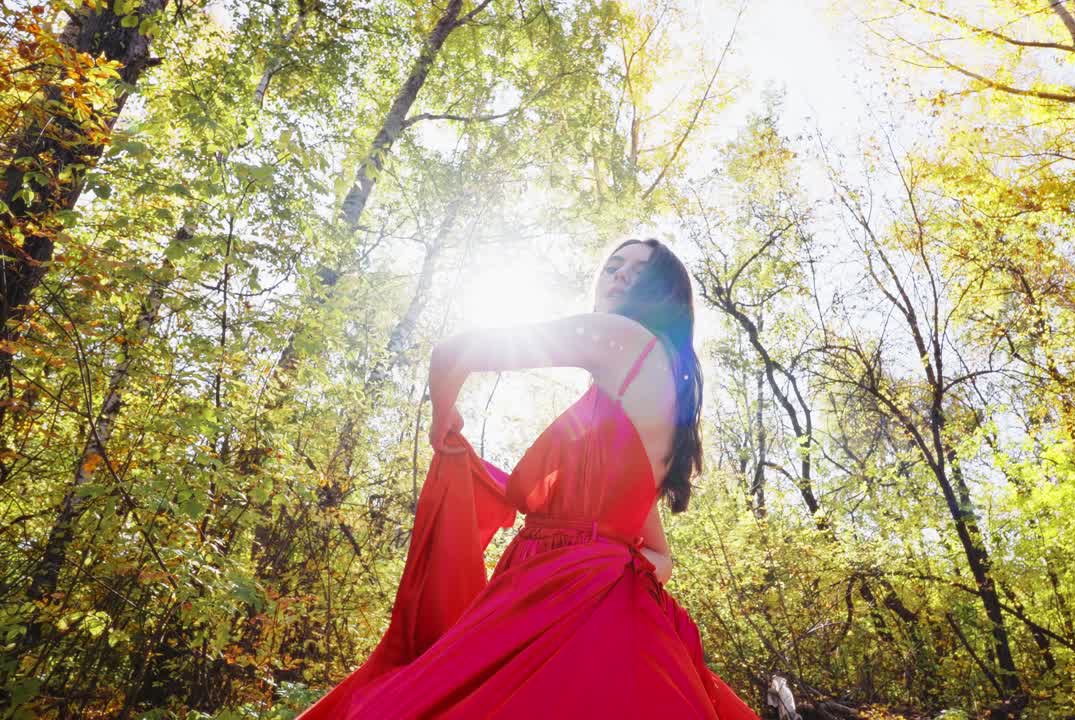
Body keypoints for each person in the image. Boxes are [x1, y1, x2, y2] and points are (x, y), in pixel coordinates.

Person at [295, 238, 759, 719]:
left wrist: (442, 419)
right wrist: (617, 565)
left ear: (664, 293)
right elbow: (656, 550)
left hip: (558, 592)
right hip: (603, 597)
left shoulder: (623, 340)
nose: (617, 275)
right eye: (613, 265)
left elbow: (454, 352)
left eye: (638, 272)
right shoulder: (664, 384)